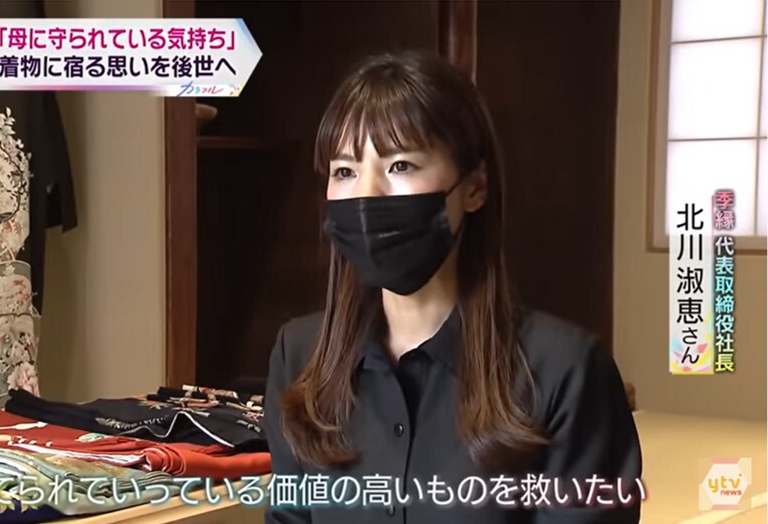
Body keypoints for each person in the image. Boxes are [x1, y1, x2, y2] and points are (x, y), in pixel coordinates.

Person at [262, 51, 642, 524]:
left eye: (400, 166)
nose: (366, 194)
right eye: (345, 171)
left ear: (474, 187)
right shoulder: (300, 357)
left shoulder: (566, 370)